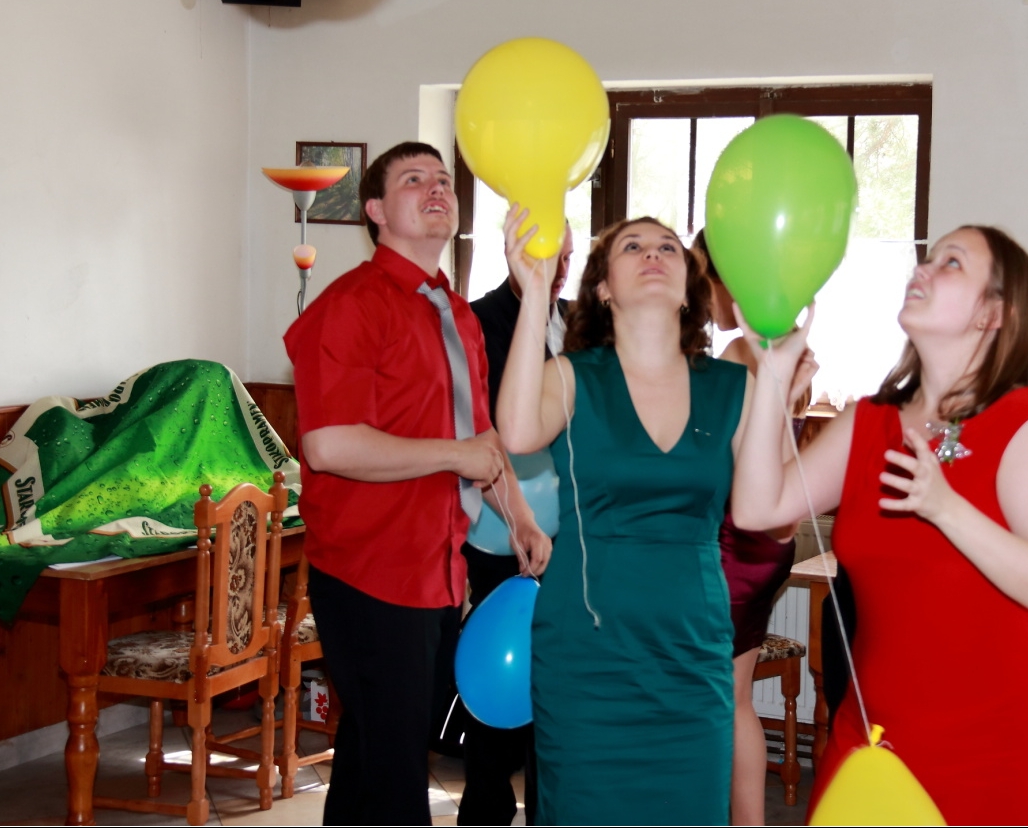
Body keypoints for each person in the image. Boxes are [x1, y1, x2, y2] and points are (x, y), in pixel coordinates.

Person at [732, 226, 1028, 825]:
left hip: (996, 741)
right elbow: (758, 510)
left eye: (952, 263)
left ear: (993, 313)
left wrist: (946, 508)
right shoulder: (868, 422)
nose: (923, 268)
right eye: (928, 257)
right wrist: (770, 375)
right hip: (874, 730)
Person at [496, 212, 807, 825]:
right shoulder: (572, 376)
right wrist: (534, 292)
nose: (653, 254)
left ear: (690, 287)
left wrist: (777, 389)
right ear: (602, 288)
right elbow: (516, 432)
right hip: (586, 659)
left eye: (668, 247)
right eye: (632, 246)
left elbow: (775, 521)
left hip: (692, 656)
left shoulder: (735, 386)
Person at [283, 142, 552, 825]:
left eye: (443, 180)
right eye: (413, 179)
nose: (436, 189)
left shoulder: (457, 315)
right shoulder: (350, 305)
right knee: (399, 776)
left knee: (373, 752)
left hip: (437, 568)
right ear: (375, 211)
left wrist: (519, 516)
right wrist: (455, 456)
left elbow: (481, 436)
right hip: (367, 571)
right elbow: (327, 445)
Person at [457, 224, 574, 826]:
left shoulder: (579, 322)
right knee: (501, 683)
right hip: (500, 531)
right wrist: (521, 521)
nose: (561, 269)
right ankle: (485, 812)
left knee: (557, 694)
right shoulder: (479, 321)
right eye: (552, 256)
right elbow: (485, 432)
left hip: (570, 536)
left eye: (569, 257)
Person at [692, 229, 802, 826]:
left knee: (722, 700)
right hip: (769, 539)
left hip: (740, 535)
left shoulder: (740, 354)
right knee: (735, 699)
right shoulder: (780, 341)